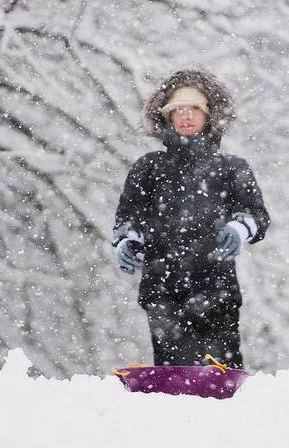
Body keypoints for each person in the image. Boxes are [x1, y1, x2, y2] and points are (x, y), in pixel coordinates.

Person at [112, 69, 270, 369]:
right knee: (174, 380)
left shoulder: (231, 168)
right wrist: (127, 243)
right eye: (178, 109)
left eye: (195, 108)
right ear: (166, 116)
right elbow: (128, 219)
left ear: (209, 115)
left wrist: (238, 229)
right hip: (162, 291)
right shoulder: (148, 169)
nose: (186, 116)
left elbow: (256, 215)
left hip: (217, 289)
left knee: (219, 378)